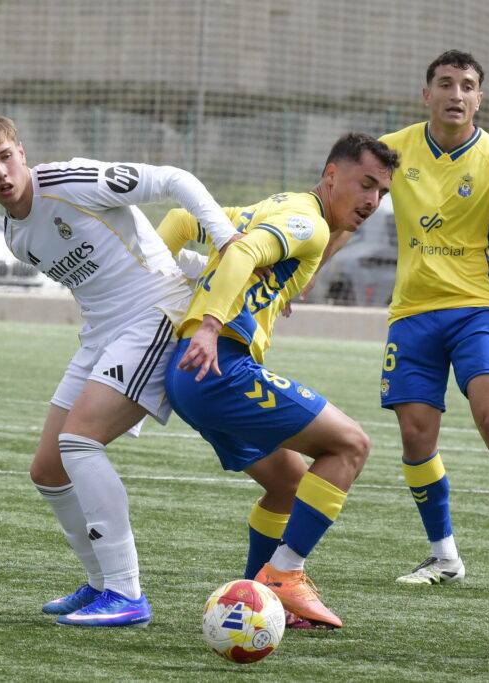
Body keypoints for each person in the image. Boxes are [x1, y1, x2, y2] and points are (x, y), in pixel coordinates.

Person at [0, 111, 240, 628]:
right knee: (48, 469)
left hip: (155, 313)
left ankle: (128, 595)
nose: (1, 171)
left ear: (21, 149)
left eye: (6, 156)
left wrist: (225, 242)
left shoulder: (71, 181)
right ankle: (102, 583)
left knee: (79, 443)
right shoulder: (14, 236)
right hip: (102, 333)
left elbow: (173, 179)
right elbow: (122, 260)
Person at [326, 50, 489, 592]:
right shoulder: (393, 152)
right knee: (415, 435)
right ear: (427, 94)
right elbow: (349, 213)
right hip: (412, 314)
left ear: (479, 98)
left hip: (476, 311)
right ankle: (444, 558)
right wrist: (305, 272)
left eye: (467, 86)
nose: (456, 94)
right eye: (445, 84)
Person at [158, 133, 400, 629]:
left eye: (383, 193)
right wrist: (210, 326)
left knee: (288, 484)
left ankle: (253, 603)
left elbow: (185, 221)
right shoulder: (306, 221)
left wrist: (154, 293)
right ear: (331, 175)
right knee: (351, 445)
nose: (373, 201)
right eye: (366, 185)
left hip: (189, 372)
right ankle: (285, 575)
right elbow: (244, 252)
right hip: (220, 368)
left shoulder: (278, 205)